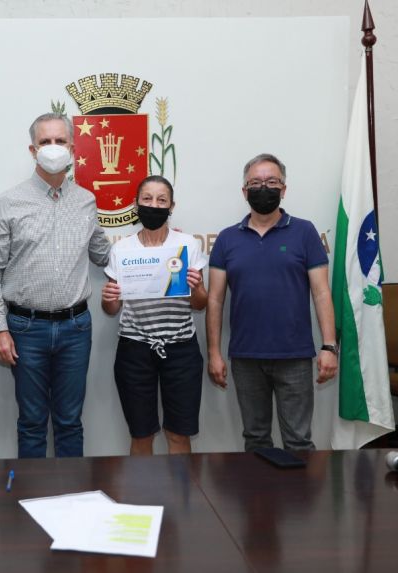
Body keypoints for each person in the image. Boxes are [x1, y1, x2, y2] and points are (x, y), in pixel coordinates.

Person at [0, 112, 111, 458]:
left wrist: (153, 249)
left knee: (70, 422)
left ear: (73, 148)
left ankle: (73, 491)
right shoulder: (8, 203)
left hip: (75, 328)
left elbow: (103, 254)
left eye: (60, 141)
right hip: (25, 329)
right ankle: (32, 492)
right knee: (32, 423)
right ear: (32, 149)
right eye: (45, 142)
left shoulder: (86, 201)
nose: (53, 148)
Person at [206, 153, 337, 451]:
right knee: (255, 440)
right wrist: (214, 353)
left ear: (283, 189)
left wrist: (329, 346)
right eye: (255, 182)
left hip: (294, 356)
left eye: (271, 182)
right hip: (246, 357)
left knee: (298, 442)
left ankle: (300, 486)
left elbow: (321, 293)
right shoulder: (226, 239)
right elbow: (214, 300)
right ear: (244, 191)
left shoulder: (305, 232)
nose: (263, 187)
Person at [101, 176, 208, 455]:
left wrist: (197, 287)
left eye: (162, 200)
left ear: (172, 206)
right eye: (147, 198)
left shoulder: (187, 245)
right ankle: (143, 486)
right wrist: (109, 299)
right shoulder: (122, 249)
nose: (154, 205)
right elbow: (112, 309)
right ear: (136, 204)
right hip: (134, 350)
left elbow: (200, 304)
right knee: (141, 434)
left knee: (179, 434)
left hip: (181, 349)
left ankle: (181, 487)